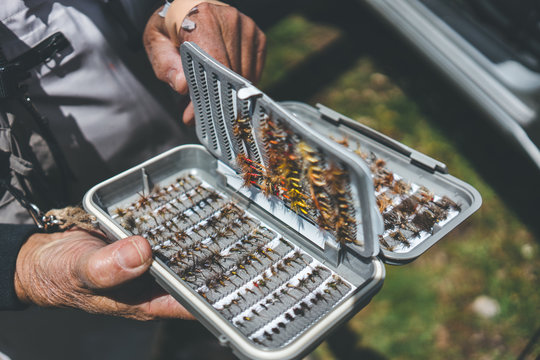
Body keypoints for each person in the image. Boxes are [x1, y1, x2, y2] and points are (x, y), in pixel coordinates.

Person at [0, 0, 265, 358]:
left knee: (242, 305)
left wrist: (176, 10)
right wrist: (19, 263)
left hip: (178, 166)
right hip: (29, 255)